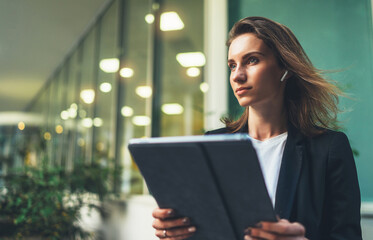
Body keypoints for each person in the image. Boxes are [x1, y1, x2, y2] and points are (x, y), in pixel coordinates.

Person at [151, 16, 362, 240]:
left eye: (252, 60)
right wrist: (176, 231)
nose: (237, 75)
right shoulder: (212, 145)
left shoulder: (328, 149)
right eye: (232, 65)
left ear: (285, 68)